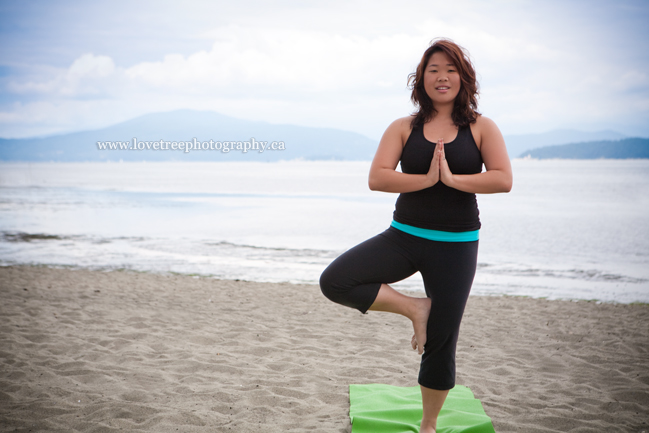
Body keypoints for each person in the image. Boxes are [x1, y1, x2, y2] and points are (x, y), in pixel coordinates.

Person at [319, 38, 512, 433]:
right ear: (421, 78)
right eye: (433, 70)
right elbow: (377, 177)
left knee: (442, 340)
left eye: (450, 70)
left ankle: (428, 425)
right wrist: (425, 179)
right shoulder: (404, 127)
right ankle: (414, 308)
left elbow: (503, 179)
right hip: (403, 237)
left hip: (456, 246)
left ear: (464, 77)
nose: (442, 77)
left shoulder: (481, 127)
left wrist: (454, 180)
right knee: (335, 280)